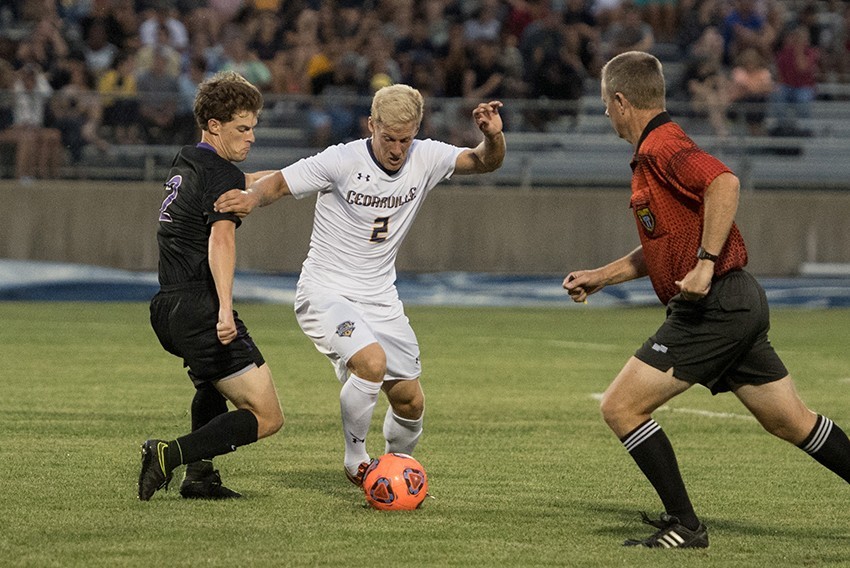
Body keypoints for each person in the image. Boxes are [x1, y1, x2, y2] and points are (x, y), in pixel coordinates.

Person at [563, 51, 850, 548]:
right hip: (735, 302)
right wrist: (601, 276)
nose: (606, 114)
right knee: (792, 422)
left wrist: (704, 263)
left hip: (714, 304)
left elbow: (724, 181)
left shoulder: (662, 146)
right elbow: (661, 244)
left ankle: (687, 525)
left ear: (621, 100)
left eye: (606, 104)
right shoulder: (651, 154)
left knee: (621, 408)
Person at [214, 84, 505, 487]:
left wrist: (493, 136)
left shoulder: (428, 156)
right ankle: (356, 461)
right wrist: (251, 197)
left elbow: (485, 162)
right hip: (326, 292)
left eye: (405, 139)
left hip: (381, 297)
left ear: (416, 131)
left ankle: (393, 474)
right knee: (370, 363)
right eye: (389, 138)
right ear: (372, 126)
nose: (398, 149)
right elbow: (279, 182)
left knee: (410, 400)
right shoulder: (342, 159)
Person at [140, 71, 284, 501]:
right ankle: (168, 454)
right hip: (202, 309)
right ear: (215, 126)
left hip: (167, 308)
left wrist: (311, 176)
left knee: (210, 385)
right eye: (243, 128)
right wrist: (225, 310)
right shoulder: (220, 171)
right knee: (266, 416)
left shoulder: (189, 160)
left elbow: (253, 180)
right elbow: (221, 238)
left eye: (254, 128)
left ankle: (200, 478)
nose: (251, 137)